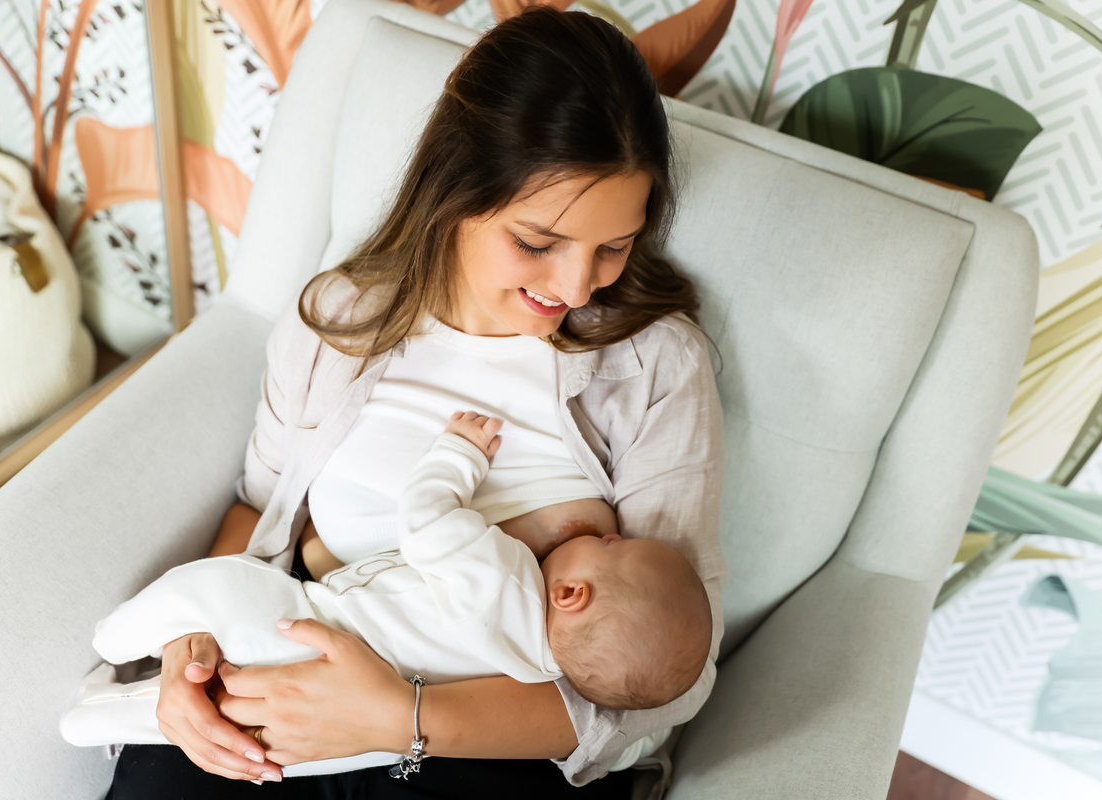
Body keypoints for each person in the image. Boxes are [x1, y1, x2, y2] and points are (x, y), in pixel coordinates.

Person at [106, 6, 725, 799]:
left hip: (475, 745)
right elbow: (258, 510)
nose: (576, 287)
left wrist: (401, 716)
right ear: (457, 191)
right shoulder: (338, 323)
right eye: (537, 242)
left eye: (615, 246)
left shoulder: (653, 365)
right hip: (284, 670)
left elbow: (667, 674)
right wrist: (187, 648)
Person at [88, 411, 712, 748]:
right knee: (236, 738)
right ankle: (102, 719)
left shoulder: (505, 576)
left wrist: (458, 455)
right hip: (344, 700)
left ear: (570, 594)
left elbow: (428, 520)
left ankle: (113, 640)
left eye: (611, 544)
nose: (612, 535)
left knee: (222, 587)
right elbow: (259, 501)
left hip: (308, 623)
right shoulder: (538, 668)